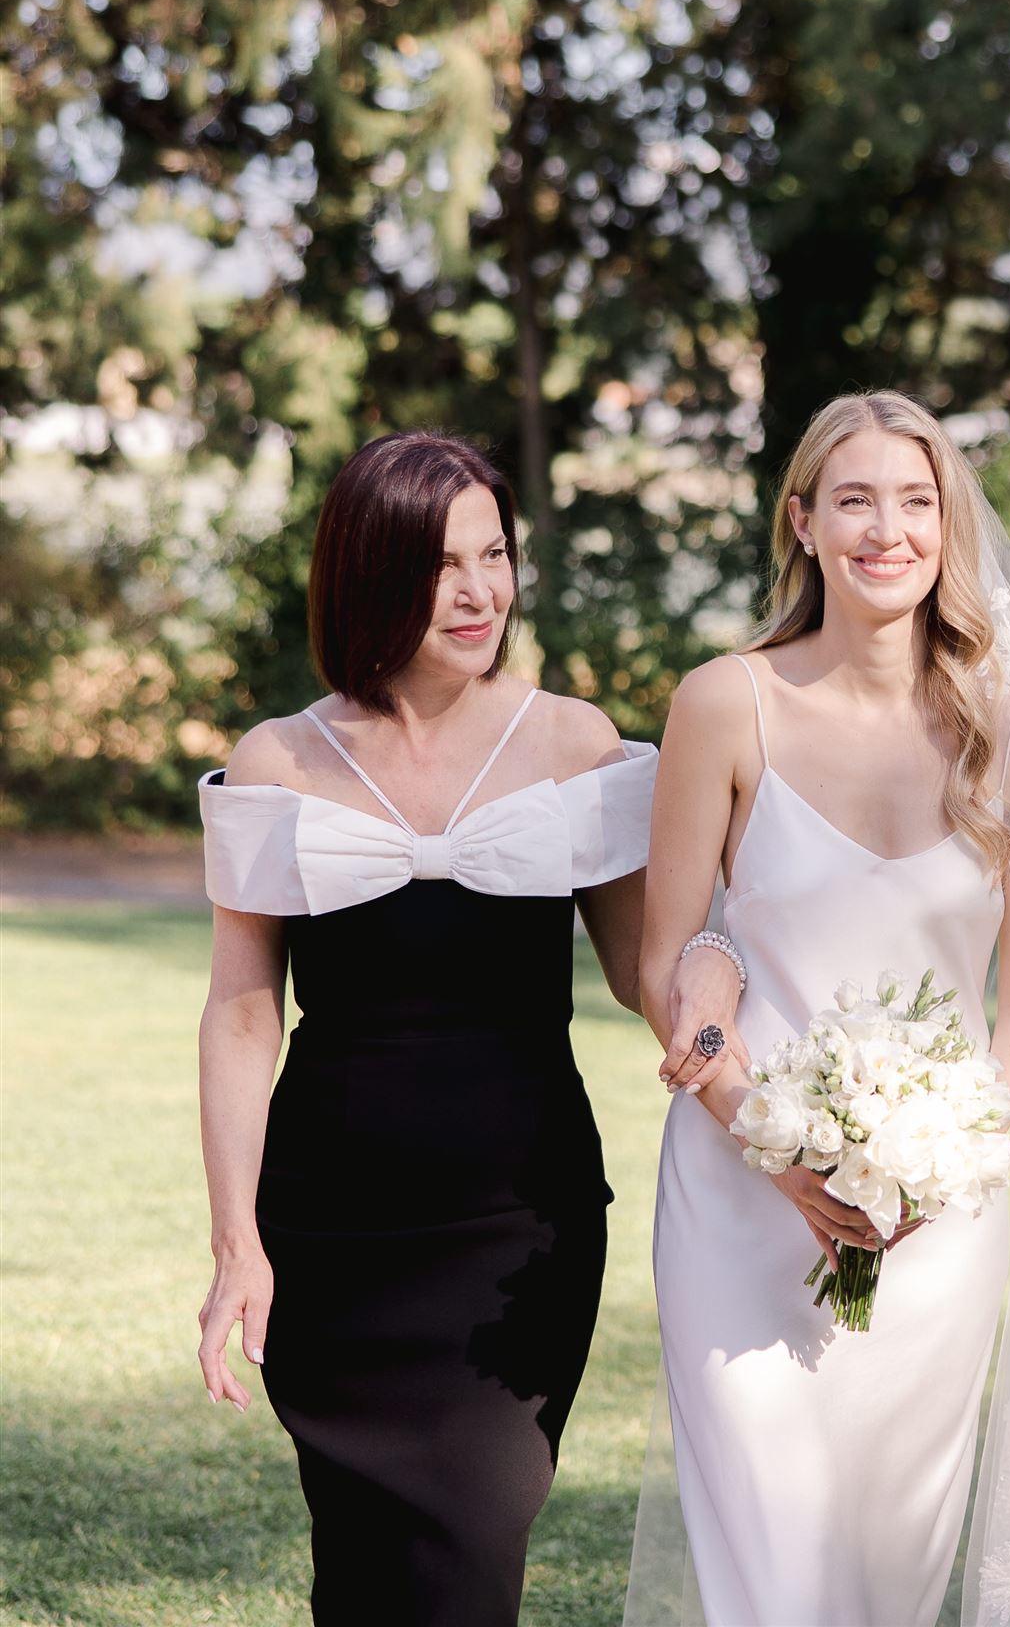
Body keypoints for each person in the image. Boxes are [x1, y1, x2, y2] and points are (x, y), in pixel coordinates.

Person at [195, 428, 733, 1626]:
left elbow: (651, 969)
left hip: (518, 1228)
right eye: (444, 564)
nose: (480, 589)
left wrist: (749, 1084)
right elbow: (241, 1015)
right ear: (369, 569)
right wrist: (239, 1242)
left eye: (493, 554)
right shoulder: (276, 756)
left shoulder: (575, 742)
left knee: (475, 1542)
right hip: (332, 1233)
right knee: (362, 1569)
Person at [631, 390, 1010, 1627]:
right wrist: (774, 1138)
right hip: (739, 1205)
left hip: (936, 1223)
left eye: (916, 501)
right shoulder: (725, 701)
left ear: (948, 524)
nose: (888, 530)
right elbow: (668, 962)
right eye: (855, 499)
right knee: (768, 1568)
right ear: (802, 521)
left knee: (886, 1577)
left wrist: (930, 1163)